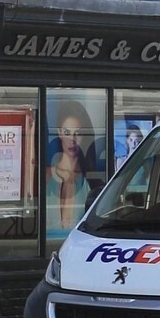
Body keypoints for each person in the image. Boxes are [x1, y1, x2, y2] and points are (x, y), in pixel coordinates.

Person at [45, 101, 99, 237]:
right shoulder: (45, 176)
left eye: (78, 133)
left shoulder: (91, 182)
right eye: (67, 132)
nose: (72, 140)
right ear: (59, 132)